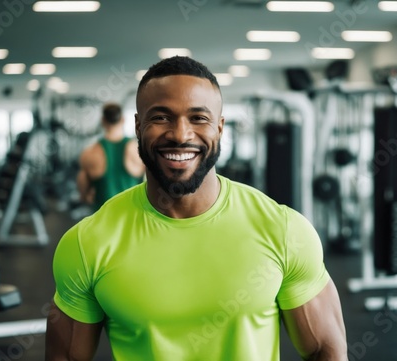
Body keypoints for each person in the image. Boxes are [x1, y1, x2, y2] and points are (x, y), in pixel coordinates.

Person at [46, 56, 348, 361]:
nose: (180, 134)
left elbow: (326, 350)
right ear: (138, 126)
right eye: (161, 117)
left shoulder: (283, 230)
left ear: (219, 128)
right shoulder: (86, 243)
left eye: (198, 118)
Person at [76, 102, 145, 211]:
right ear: (123, 120)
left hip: (103, 219)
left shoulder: (90, 152)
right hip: (131, 217)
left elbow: (83, 186)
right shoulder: (138, 151)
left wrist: (85, 197)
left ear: (103, 121)